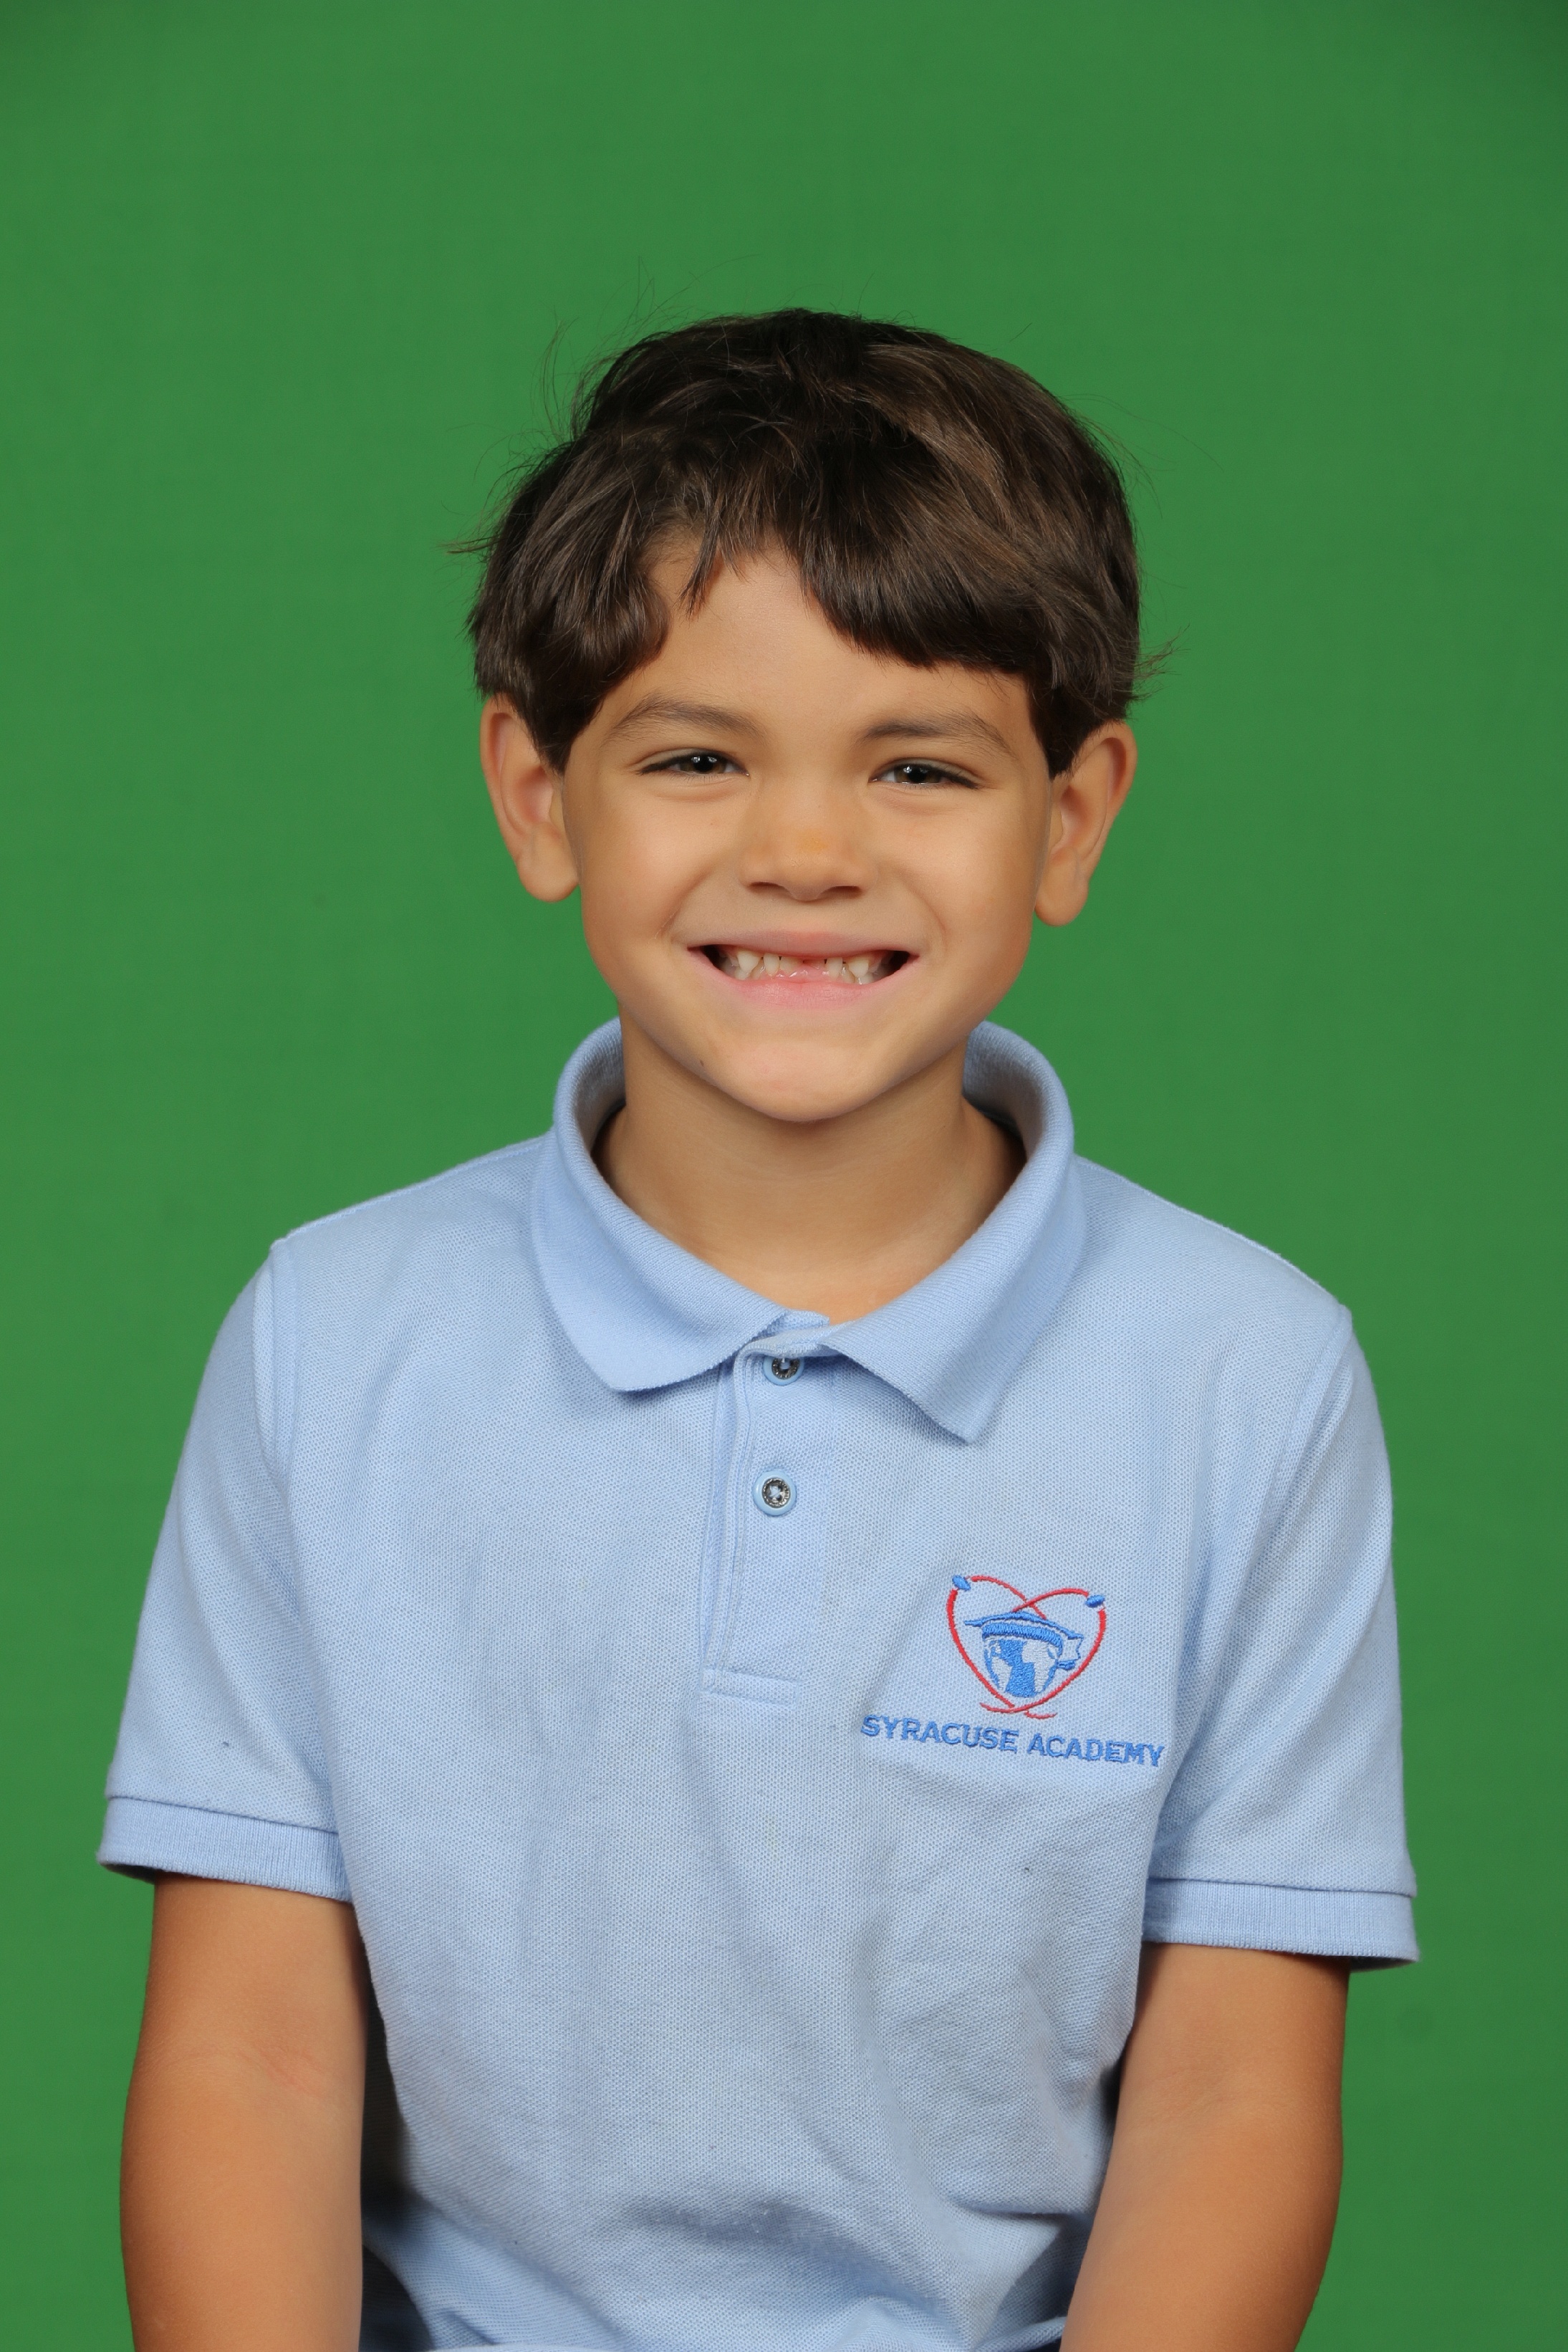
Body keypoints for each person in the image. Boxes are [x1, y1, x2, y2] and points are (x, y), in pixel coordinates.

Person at [102, 309, 1416, 2352]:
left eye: (920, 766)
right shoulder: (328, 1343)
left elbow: (1231, 2096)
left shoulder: (1248, 1375)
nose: (806, 855)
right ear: (542, 796)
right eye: (698, 757)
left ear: (1072, 818)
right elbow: (251, 2059)